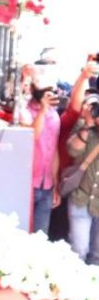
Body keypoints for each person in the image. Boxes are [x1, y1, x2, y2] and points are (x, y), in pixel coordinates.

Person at [15, 72, 62, 235]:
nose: (46, 95)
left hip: (46, 185)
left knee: (40, 236)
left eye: (50, 90)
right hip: (27, 182)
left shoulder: (55, 115)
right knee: (20, 231)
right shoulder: (25, 111)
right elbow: (32, 136)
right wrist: (42, 110)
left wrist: (55, 183)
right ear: (34, 89)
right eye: (43, 91)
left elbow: (54, 150)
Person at [65, 91, 99, 264]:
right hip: (81, 198)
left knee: (97, 255)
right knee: (79, 250)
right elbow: (72, 150)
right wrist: (88, 125)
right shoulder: (84, 127)